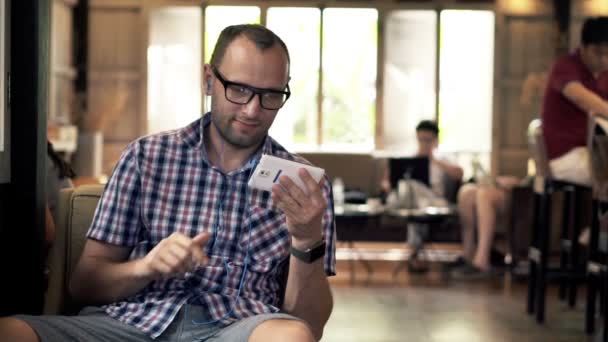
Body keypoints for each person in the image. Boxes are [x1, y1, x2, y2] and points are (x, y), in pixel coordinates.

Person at [0, 24, 336, 342]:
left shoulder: (305, 186)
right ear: (208, 80)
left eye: (270, 95)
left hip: (239, 326)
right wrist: (146, 267)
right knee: (10, 331)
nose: (252, 110)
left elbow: (310, 324)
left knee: (292, 336)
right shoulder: (147, 157)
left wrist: (307, 239)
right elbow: (84, 286)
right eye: (239, 90)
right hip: (133, 322)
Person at [381, 120, 463, 273]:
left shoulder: (443, 158)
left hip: (434, 200)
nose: (424, 143)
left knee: (413, 195)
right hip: (411, 200)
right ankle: (414, 253)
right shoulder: (409, 157)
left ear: (436, 140)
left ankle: (414, 252)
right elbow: (387, 180)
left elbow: (459, 174)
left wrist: (433, 160)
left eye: (428, 140)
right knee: (410, 194)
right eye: (421, 139)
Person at [541, 16, 608, 186]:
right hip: (565, 157)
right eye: (598, 53)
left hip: (592, 153)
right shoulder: (565, 66)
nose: (604, 60)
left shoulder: (604, 74)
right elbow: (581, 98)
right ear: (583, 47)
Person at [449, 176, 523, 280]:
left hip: (520, 193)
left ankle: (482, 261)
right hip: (497, 185)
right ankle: (468, 255)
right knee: (466, 192)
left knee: (484, 194)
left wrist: (519, 181)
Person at [45, 140, 75, 246]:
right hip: (68, 244)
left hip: (56, 250)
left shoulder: (40, 163)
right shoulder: (49, 158)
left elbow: (48, 235)